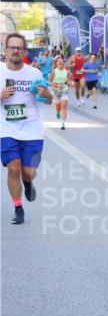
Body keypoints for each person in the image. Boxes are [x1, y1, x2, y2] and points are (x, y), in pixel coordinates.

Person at [2, 33, 52, 225]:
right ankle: (18, 207)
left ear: (24, 51)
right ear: (5, 50)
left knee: (28, 172)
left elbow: (48, 99)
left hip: (31, 130)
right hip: (6, 128)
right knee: (13, 167)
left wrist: (46, 93)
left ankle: (28, 182)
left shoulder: (35, 74)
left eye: (19, 48)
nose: (15, 51)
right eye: (12, 47)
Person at [49, 55, 71, 130]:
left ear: (64, 63)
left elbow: (70, 82)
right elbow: (49, 81)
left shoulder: (67, 72)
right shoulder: (54, 71)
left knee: (64, 106)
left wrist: (64, 84)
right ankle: (58, 112)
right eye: (59, 62)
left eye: (62, 62)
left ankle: (63, 123)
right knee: (58, 105)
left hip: (64, 91)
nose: (60, 63)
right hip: (56, 91)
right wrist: (55, 84)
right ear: (56, 64)